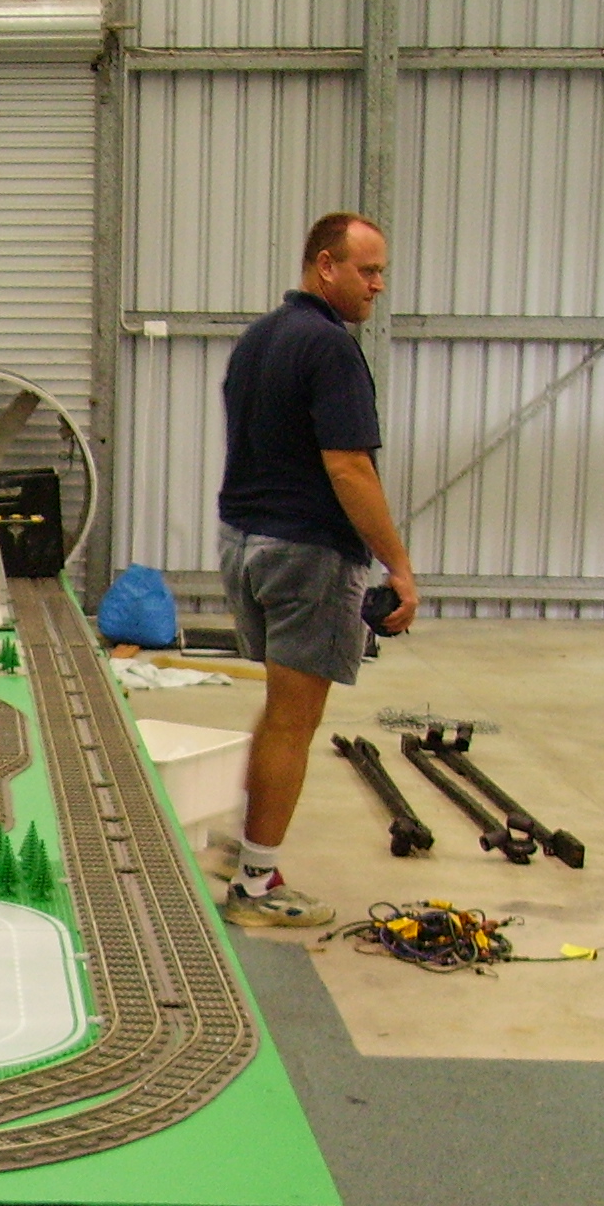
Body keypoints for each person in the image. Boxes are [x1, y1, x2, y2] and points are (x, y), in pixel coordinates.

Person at [214, 212, 418, 928]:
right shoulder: (331, 348)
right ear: (325, 266)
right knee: (295, 722)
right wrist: (398, 564)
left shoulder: (259, 339)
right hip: (307, 553)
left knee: (281, 710)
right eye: (367, 270)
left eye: (381, 271)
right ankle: (256, 885)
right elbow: (349, 466)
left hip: (244, 543)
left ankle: (245, 847)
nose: (378, 285)